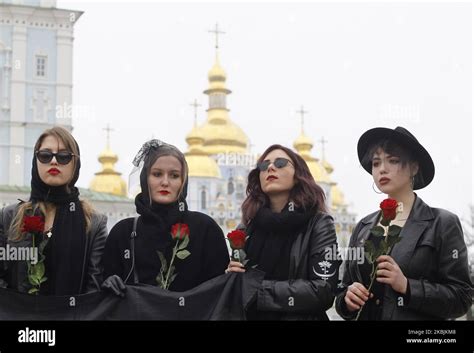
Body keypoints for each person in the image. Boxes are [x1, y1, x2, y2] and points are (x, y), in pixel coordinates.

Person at [335, 126, 473, 320]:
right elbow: (343, 292)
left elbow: (462, 297)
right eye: (376, 163)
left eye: (393, 160)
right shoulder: (363, 227)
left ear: (414, 167)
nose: (382, 169)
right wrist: (347, 300)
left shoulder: (442, 223)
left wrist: (408, 286)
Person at [227, 144, 340, 320]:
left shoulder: (318, 224)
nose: (270, 167)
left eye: (280, 163)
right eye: (264, 166)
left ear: (298, 176)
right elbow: (238, 289)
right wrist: (232, 278)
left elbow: (324, 289)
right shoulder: (246, 229)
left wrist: (258, 290)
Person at [101, 140, 229, 296]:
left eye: (174, 175)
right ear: (145, 179)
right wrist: (108, 283)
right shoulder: (124, 232)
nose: (165, 182)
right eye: (157, 174)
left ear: (183, 182)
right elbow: (104, 288)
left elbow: (219, 292)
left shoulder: (205, 229)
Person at [0, 126, 107, 295]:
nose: (54, 161)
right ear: (35, 161)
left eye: (64, 156)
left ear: (75, 164)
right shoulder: (9, 216)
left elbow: (93, 289)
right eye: (45, 155)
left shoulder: (93, 222)